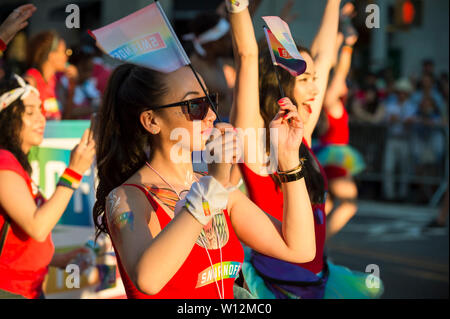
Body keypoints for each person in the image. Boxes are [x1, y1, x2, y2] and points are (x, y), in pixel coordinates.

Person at [91, 59, 319, 298]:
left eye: (210, 101)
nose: (211, 115)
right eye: (195, 105)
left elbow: (300, 249)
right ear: (151, 120)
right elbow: (148, 279)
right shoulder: (128, 197)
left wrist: (288, 157)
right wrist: (215, 184)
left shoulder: (222, 193)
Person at [229, 0, 383, 298]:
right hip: (275, 286)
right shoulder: (257, 142)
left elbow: (324, 57)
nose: (316, 89)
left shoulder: (300, 136)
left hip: (318, 280)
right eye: (306, 80)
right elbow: (247, 57)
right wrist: (237, 8)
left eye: (315, 80)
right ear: (279, 85)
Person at [0, 75, 96, 299]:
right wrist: (74, 172)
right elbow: (37, 227)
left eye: (41, 110)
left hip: (29, 289)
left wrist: (58, 260)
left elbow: (18, 242)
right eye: (30, 112)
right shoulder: (3, 162)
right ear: (7, 117)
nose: (41, 119)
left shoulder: (14, 163)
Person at [315, 22, 365, 239]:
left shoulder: (334, 103)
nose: (345, 84)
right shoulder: (331, 101)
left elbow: (338, 69)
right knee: (348, 205)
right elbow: (340, 70)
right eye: (341, 82)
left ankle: (316, 244)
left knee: (329, 203)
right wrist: (347, 46)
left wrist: (339, 39)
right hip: (334, 156)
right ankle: (319, 245)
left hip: (330, 154)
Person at [24, 31, 76, 120]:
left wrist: (72, 85)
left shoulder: (56, 83)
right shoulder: (30, 82)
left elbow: (66, 118)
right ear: (51, 55)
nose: (66, 57)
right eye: (64, 52)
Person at [381, 78, 416, 201]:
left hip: (405, 139)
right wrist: (392, 120)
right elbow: (385, 120)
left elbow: (411, 121)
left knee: (404, 168)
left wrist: (402, 120)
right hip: (392, 139)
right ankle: (389, 194)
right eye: (399, 92)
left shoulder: (411, 107)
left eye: (403, 92)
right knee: (388, 167)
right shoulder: (390, 105)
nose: (401, 94)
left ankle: (403, 194)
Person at [59, 45, 101, 119]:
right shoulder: (63, 84)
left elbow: (96, 100)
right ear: (74, 67)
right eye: (86, 70)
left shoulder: (87, 84)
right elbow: (67, 114)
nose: (89, 75)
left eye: (91, 70)